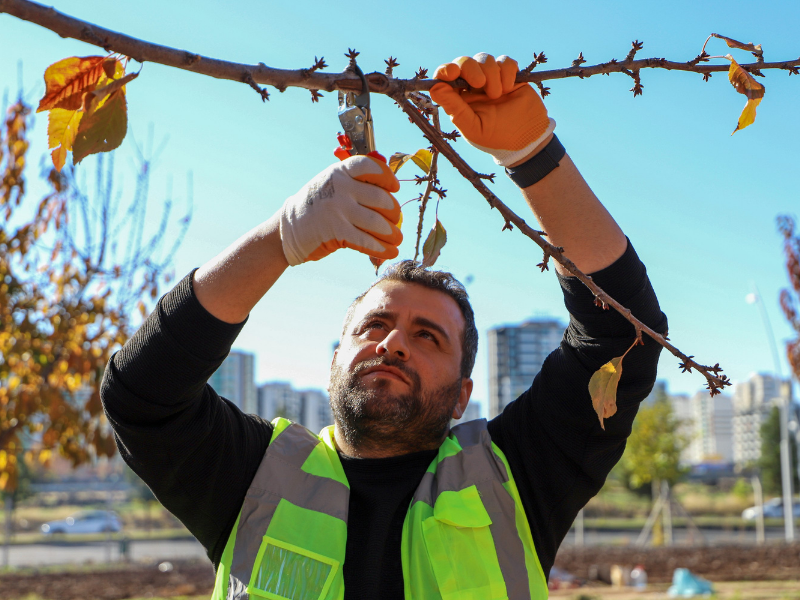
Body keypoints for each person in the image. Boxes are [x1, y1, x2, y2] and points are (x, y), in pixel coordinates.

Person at [101, 53, 667, 600]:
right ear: (334, 362)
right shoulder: (253, 478)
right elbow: (144, 395)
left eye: (428, 336)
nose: (393, 341)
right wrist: (282, 237)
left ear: (461, 397)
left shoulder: (516, 477)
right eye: (373, 326)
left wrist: (533, 153)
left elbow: (624, 331)